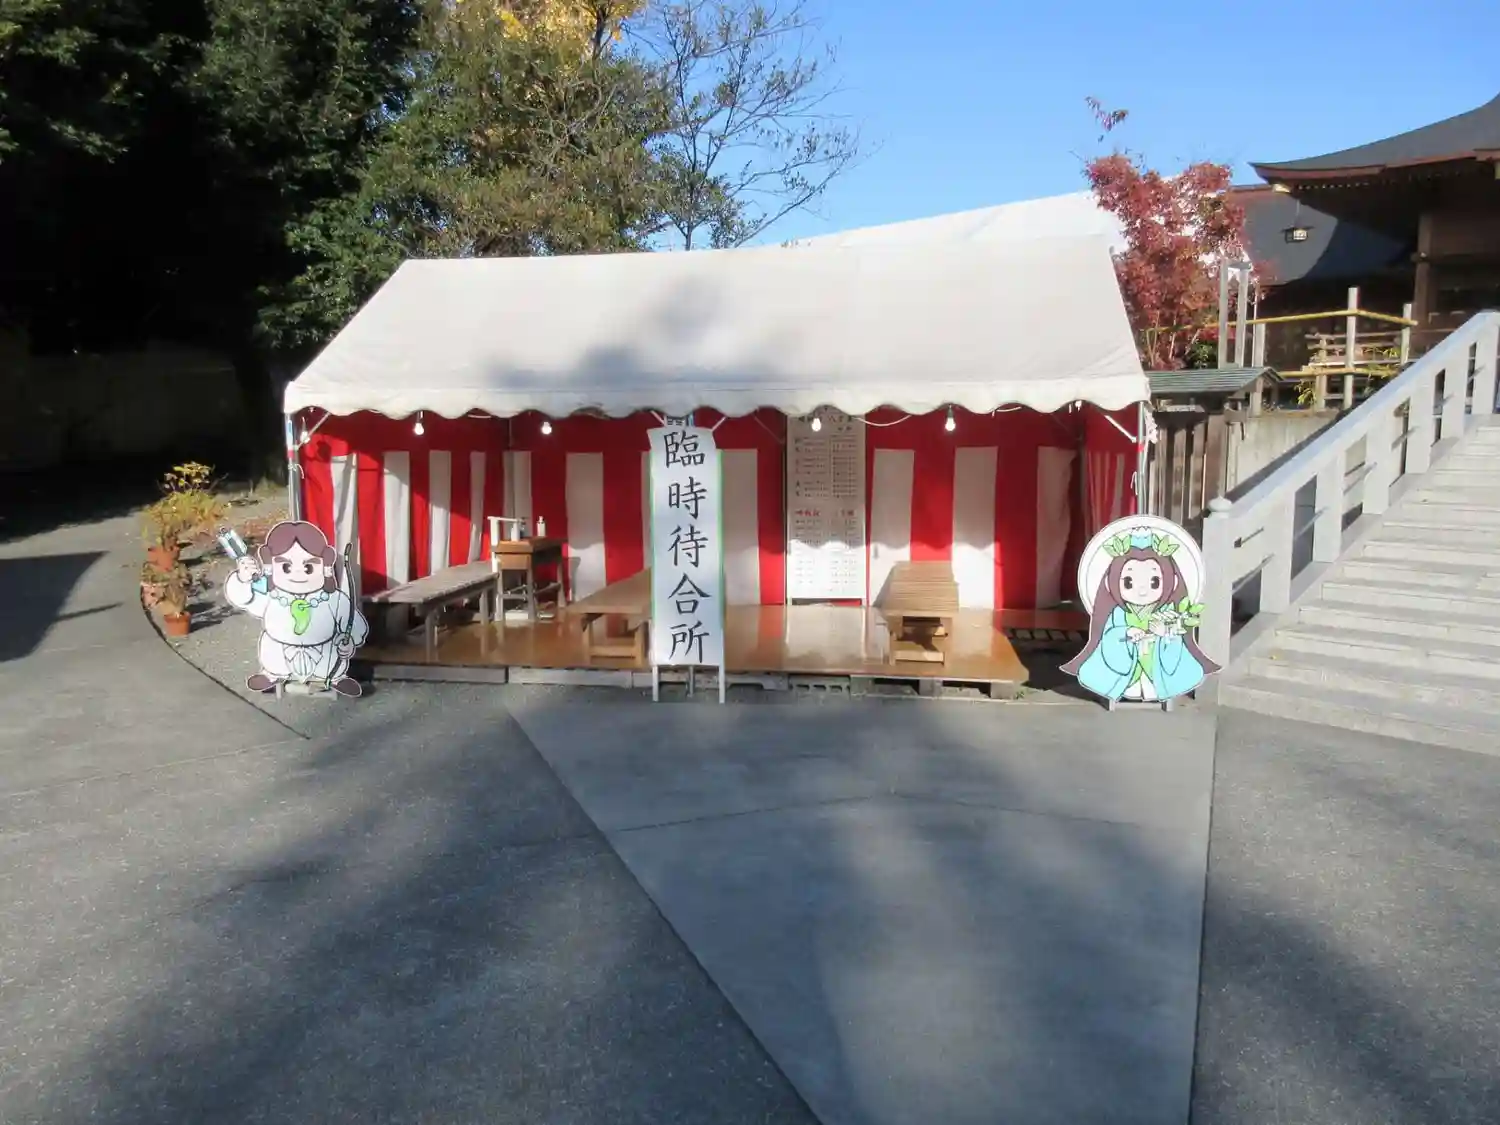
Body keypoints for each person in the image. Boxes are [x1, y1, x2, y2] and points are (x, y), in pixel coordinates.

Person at [1061, 531, 1219, 703]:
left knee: (1180, 670)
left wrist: (1165, 633)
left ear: (1172, 581)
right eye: (1128, 582)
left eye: (1154, 582)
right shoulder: (1117, 614)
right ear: (1111, 581)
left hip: (1158, 674)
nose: (1142, 590)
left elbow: (1177, 647)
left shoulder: (1170, 612)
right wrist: (1125, 632)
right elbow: (1108, 641)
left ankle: (1155, 687)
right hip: (1126, 676)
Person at [224, 520, 369, 698]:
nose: (298, 574)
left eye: (308, 567)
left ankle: (336, 677)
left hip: (324, 653)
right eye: (286, 567)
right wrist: (242, 580)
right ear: (270, 566)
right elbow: (245, 599)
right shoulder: (272, 595)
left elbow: (352, 621)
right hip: (280, 651)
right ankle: (272, 674)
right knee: (272, 648)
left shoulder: (332, 598)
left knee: (333, 655)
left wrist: (350, 641)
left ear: (324, 567)